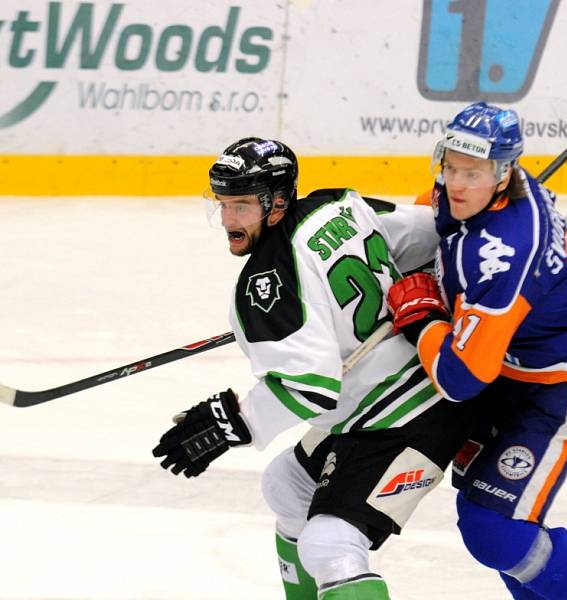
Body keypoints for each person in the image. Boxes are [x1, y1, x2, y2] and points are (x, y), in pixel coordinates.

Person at [151, 137, 486, 599]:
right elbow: (427, 234)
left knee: (330, 543)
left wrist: (232, 423)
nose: (229, 221)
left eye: (243, 206)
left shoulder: (262, 285)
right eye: (224, 205)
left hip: (411, 414)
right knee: (286, 486)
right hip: (391, 395)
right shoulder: (336, 204)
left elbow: (310, 390)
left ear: (278, 202)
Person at [387, 102, 567, 599]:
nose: (456, 184)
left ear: (504, 173)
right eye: (452, 167)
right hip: (517, 367)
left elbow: (461, 378)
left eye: (474, 173)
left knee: (494, 526)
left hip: (564, 382)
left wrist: (421, 317)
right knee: (495, 516)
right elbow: (433, 217)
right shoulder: (481, 195)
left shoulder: (502, 255)